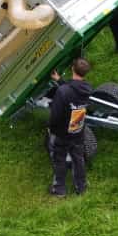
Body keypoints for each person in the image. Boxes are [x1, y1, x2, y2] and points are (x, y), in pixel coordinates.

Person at [47, 58, 94, 197]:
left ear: (72, 69)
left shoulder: (62, 92)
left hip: (62, 133)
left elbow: (55, 115)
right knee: (78, 159)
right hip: (78, 131)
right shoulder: (87, 89)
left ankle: (59, 190)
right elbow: (73, 89)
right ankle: (81, 187)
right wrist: (60, 80)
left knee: (59, 159)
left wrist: (51, 128)